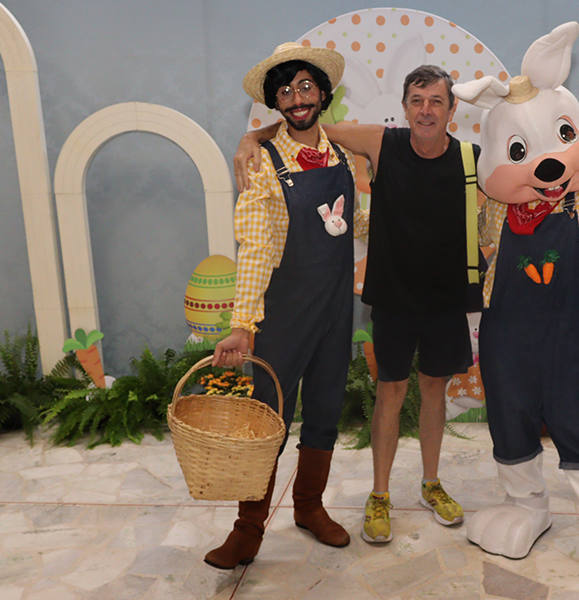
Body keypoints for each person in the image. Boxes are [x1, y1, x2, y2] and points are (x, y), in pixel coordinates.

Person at [236, 65, 479, 544]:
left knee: (360, 403)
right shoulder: (373, 144)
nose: (426, 110)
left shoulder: (463, 158)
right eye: (417, 100)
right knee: (291, 409)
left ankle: (335, 502)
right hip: (350, 303)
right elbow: (257, 242)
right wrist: (254, 137)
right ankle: (258, 524)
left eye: (436, 101)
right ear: (404, 106)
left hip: (405, 302)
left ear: (452, 109)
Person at [205, 42, 367, 570]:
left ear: (322, 92)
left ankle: (309, 507)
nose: (296, 99)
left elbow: (357, 221)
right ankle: (247, 528)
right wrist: (242, 324)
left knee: (325, 410)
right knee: (268, 417)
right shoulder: (264, 163)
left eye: (305, 87)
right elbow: (255, 246)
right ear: (274, 102)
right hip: (284, 314)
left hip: (335, 310)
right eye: (284, 91)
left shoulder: (344, 156)